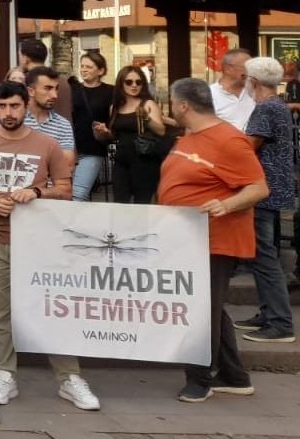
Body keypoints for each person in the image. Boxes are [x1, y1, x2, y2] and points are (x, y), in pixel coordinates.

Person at [0, 81, 96, 411]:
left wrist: (36, 192)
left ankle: (69, 377)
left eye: (14, 106)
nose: (8, 113)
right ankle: (5, 372)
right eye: (2, 107)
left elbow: (64, 187)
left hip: (37, 239)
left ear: (25, 105)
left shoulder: (46, 144)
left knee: (51, 308)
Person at [160, 78, 268, 402]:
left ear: (182, 105)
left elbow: (259, 188)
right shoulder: (190, 137)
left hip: (214, 239)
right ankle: (234, 376)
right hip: (188, 237)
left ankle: (199, 379)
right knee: (212, 307)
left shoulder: (229, 140)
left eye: (171, 101)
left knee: (200, 309)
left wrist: (226, 204)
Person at [234, 57, 295, 345]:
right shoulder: (278, 105)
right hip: (275, 187)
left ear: (254, 82)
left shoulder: (265, 108)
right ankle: (269, 313)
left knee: (264, 256)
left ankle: (280, 322)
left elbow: (248, 148)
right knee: (264, 254)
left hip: (262, 188)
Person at [95, 65, 169, 204]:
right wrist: (104, 132)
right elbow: (115, 136)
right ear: (121, 84)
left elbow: (161, 130)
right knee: (120, 202)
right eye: (129, 82)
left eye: (138, 82)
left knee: (142, 203)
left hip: (144, 160)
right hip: (122, 160)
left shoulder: (148, 104)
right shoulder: (115, 107)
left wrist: (146, 118)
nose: (134, 85)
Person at [68, 51, 114, 201]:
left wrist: (106, 130)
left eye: (89, 66)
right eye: (82, 66)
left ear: (100, 71)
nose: (84, 69)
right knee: (67, 194)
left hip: (93, 150)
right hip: (69, 148)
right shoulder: (72, 89)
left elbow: (114, 118)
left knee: (78, 195)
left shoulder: (110, 91)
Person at [24, 67, 76, 182]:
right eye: (47, 88)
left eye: (56, 89)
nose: (54, 95)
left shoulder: (63, 125)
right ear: (31, 91)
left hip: (51, 194)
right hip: (16, 193)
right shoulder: (18, 120)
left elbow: (67, 165)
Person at [211, 48, 255, 130]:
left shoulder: (256, 92)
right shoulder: (208, 95)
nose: (252, 71)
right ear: (228, 69)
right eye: (248, 67)